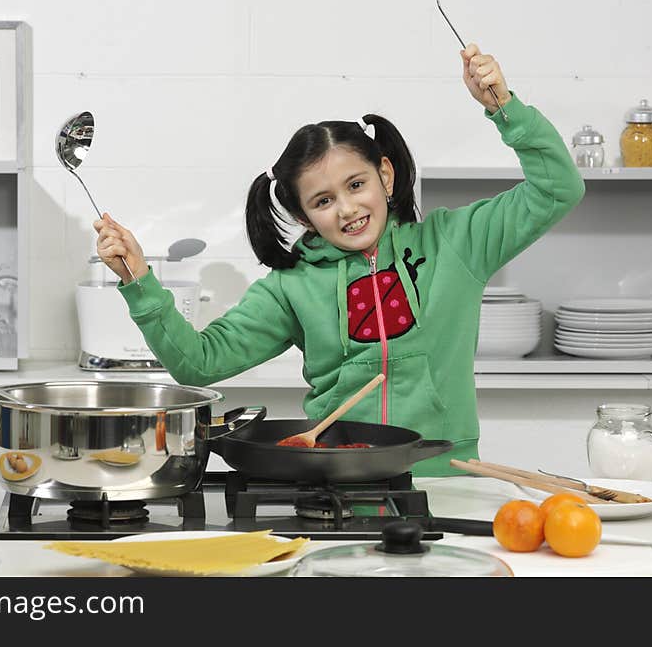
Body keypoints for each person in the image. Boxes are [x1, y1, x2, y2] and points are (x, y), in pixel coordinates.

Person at [93, 43, 585, 476]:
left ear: (385, 177)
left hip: (444, 474)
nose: (347, 209)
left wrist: (504, 107)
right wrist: (140, 281)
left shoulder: (456, 241)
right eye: (323, 201)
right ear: (304, 215)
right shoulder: (290, 285)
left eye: (356, 185)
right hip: (337, 478)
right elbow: (197, 363)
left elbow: (558, 189)